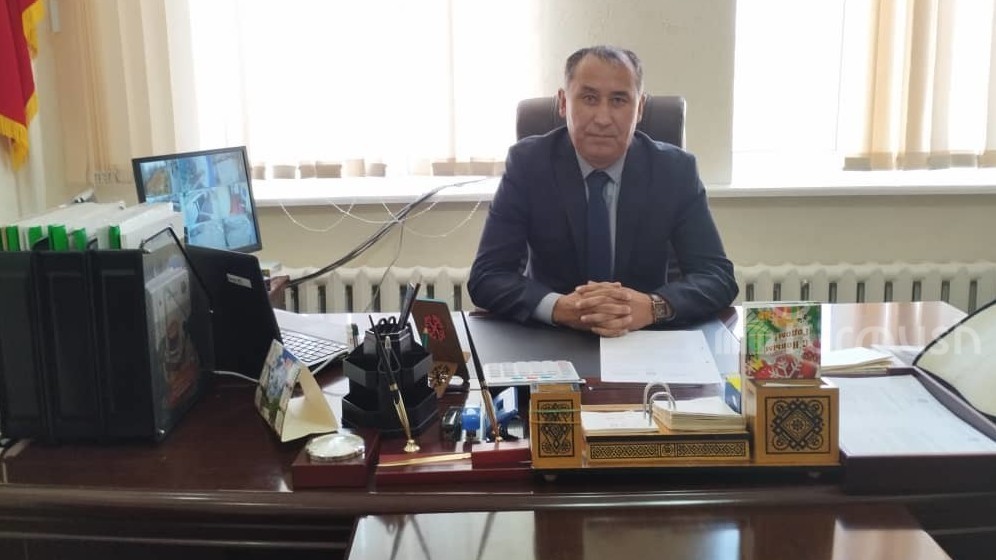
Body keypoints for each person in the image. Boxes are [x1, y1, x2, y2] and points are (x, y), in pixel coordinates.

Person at [468, 45, 737, 337]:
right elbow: (487, 276)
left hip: (643, 337)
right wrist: (559, 307)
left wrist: (652, 307)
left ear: (640, 108)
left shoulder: (674, 171)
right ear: (563, 102)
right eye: (589, 98)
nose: (603, 118)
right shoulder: (529, 164)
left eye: (619, 100)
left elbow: (717, 277)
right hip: (553, 337)